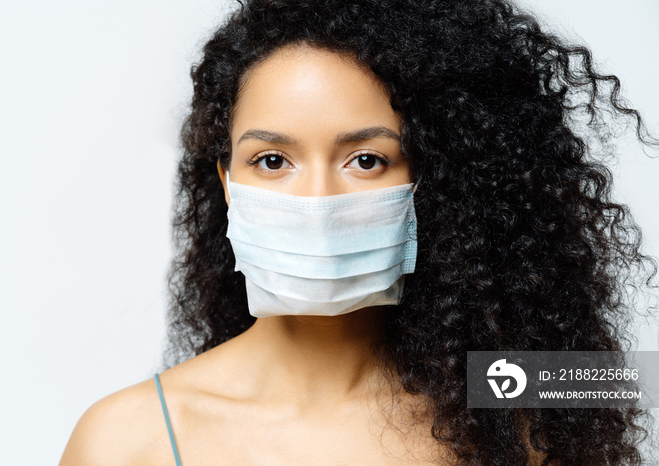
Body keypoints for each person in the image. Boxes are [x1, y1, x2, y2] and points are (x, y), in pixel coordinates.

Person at [60, 0, 658, 464]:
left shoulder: (521, 398)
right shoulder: (126, 438)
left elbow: (630, 378)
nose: (317, 202)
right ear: (226, 184)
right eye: (272, 161)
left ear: (435, 183)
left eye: (366, 160)